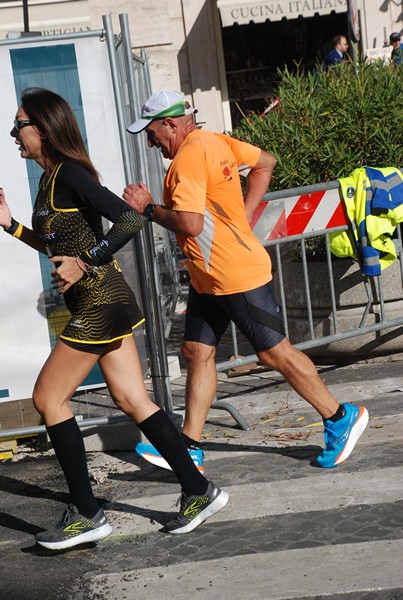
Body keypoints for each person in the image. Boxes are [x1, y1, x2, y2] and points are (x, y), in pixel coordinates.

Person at [0, 88, 228, 551]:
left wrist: (85, 262)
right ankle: (199, 490)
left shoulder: (71, 175)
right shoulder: (48, 181)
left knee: (48, 398)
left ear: (43, 128)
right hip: (102, 302)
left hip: (100, 302)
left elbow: (129, 219)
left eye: (19, 124)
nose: (13, 134)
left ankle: (86, 514)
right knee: (131, 399)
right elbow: (55, 248)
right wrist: (11, 225)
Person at [122, 89, 369, 475]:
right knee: (195, 352)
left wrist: (149, 208)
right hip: (210, 276)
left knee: (276, 354)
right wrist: (244, 215)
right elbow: (265, 163)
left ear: (169, 124)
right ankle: (190, 445)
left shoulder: (186, 159)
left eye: (151, 133)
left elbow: (190, 222)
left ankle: (340, 416)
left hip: (232, 273)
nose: (151, 143)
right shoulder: (215, 140)